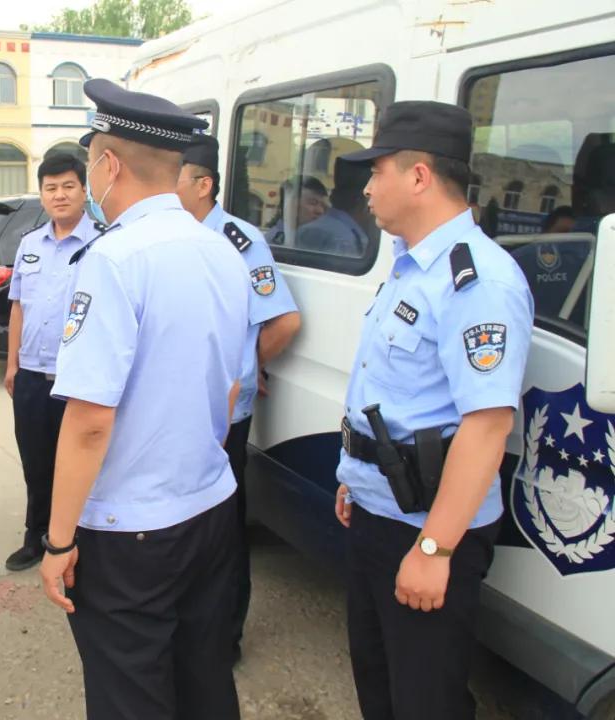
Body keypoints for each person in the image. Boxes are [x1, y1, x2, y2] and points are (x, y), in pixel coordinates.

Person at [39, 79, 251, 720]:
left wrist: (56, 542)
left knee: (130, 693)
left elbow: (88, 422)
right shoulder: (221, 248)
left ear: (107, 165)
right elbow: (233, 382)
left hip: (130, 529)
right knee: (204, 679)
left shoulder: (114, 259)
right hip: (209, 504)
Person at [333, 101, 533, 719]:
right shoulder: (410, 266)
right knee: (378, 681)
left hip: (425, 524)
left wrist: (433, 551)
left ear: (419, 177)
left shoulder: (479, 283)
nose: (367, 188)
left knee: (425, 699)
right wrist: (354, 478)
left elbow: (487, 425)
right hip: (378, 506)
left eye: (378, 172)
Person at [176, 133, 301, 665]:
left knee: (223, 530)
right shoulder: (171, 235)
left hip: (227, 415)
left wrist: (251, 366)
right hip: (180, 409)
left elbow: (285, 320)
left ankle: (224, 638)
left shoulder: (237, 238)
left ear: (203, 184)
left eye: (176, 177)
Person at [3, 152, 102, 572]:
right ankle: (36, 537)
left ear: (84, 190)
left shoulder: (103, 243)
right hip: (30, 375)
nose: (59, 195)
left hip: (78, 379)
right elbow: (18, 308)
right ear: (41, 194)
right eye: (50, 187)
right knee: (35, 460)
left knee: (81, 464)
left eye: (68, 186)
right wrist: (12, 365)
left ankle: (81, 540)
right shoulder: (29, 244)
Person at [296, 157, 375, 256]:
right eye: (313, 202)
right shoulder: (339, 237)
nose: (319, 210)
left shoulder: (344, 231)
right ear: (364, 200)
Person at [265, 175, 328, 244]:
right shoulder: (274, 243)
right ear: (290, 205)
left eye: (323, 206)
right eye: (313, 203)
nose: (320, 211)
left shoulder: (313, 240)